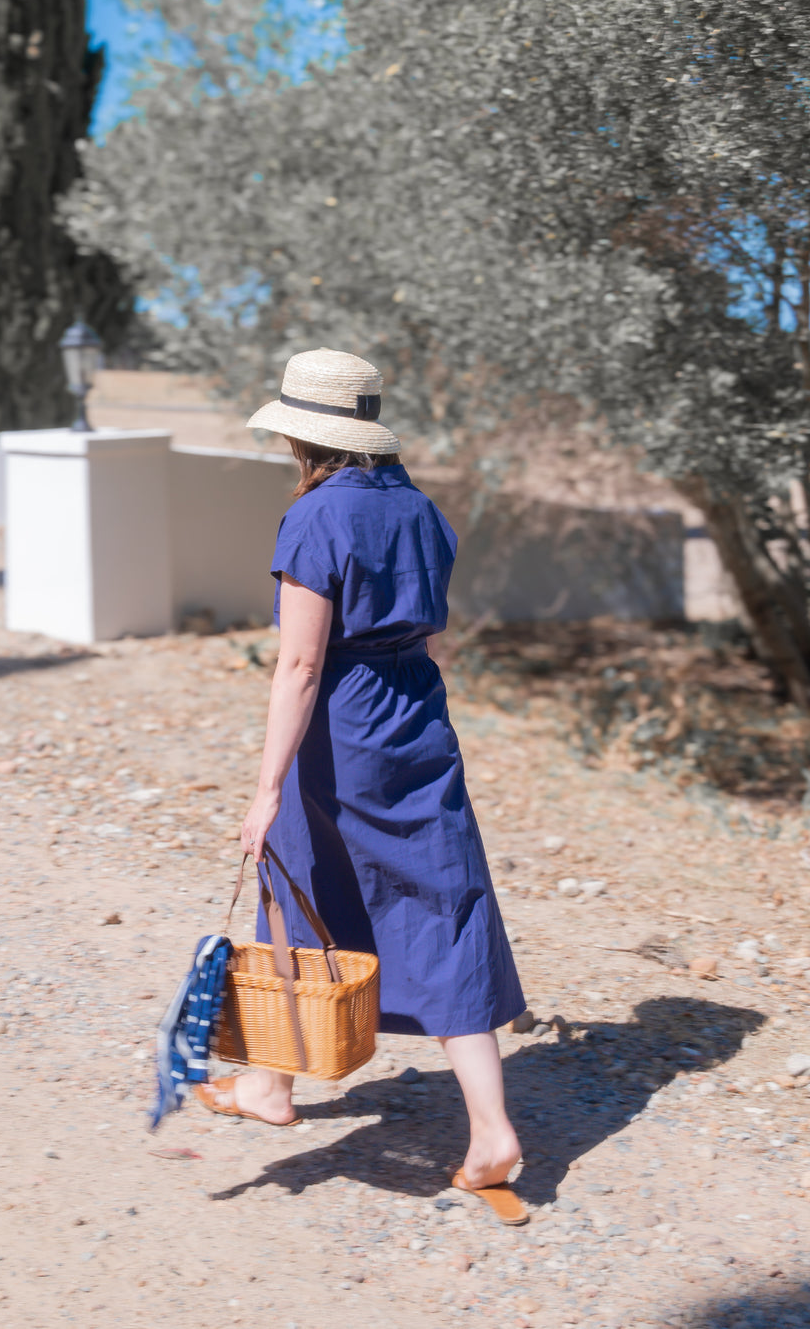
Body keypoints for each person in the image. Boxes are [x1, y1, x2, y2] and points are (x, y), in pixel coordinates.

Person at [196, 348, 528, 1223]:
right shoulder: (419, 507)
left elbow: (301, 664)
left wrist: (265, 789)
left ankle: (272, 1080)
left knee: (291, 880)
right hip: (417, 715)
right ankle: (488, 1125)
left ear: (305, 438)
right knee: (444, 900)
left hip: (340, 732)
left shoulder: (313, 519)